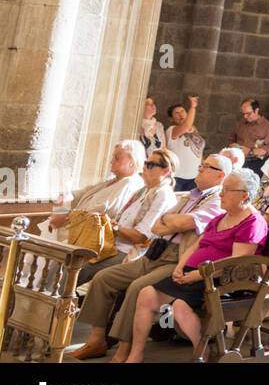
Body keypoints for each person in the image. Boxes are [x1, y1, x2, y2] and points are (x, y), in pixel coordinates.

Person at [68, 154, 231, 361]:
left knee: (137, 288)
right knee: (104, 278)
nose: (200, 168)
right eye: (202, 164)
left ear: (220, 176)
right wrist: (170, 220)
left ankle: (124, 351)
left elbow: (181, 224)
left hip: (178, 258)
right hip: (156, 252)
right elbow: (156, 226)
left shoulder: (216, 201)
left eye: (207, 167)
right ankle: (96, 340)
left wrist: (170, 221)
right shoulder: (190, 196)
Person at [124, 169, 267, 362]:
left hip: (223, 280)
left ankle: (200, 352)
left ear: (245, 195)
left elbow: (236, 263)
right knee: (146, 294)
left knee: (180, 306)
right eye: (222, 189)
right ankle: (135, 354)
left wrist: (199, 275)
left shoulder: (252, 222)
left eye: (227, 190)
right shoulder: (220, 218)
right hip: (196, 274)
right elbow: (197, 245)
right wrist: (180, 266)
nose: (221, 194)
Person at [76, 147, 181, 286]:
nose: (144, 167)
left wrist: (112, 227)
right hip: (115, 246)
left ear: (166, 170)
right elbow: (120, 222)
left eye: (150, 165)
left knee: (80, 268)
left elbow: (141, 236)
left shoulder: (163, 194)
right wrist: (103, 220)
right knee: (74, 258)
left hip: (132, 253)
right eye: (145, 163)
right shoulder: (143, 191)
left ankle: (65, 304)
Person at [44, 141, 146, 244]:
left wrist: (63, 213)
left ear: (132, 162)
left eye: (117, 158)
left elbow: (96, 213)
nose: (111, 162)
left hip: (87, 239)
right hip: (73, 233)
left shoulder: (130, 183)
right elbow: (81, 194)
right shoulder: (112, 180)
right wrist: (64, 198)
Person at [228, 98, 269, 174]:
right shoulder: (240, 124)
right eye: (243, 114)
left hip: (255, 164)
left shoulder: (267, 127)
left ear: (256, 110)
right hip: (236, 160)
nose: (245, 117)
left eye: (248, 113)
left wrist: (250, 152)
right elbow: (231, 140)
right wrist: (232, 145)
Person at [165, 97, 204, 190]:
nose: (181, 114)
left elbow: (198, 151)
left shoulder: (194, 130)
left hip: (194, 177)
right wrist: (193, 107)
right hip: (178, 177)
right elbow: (186, 126)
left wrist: (204, 166)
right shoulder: (171, 130)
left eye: (182, 111)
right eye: (176, 113)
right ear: (171, 119)